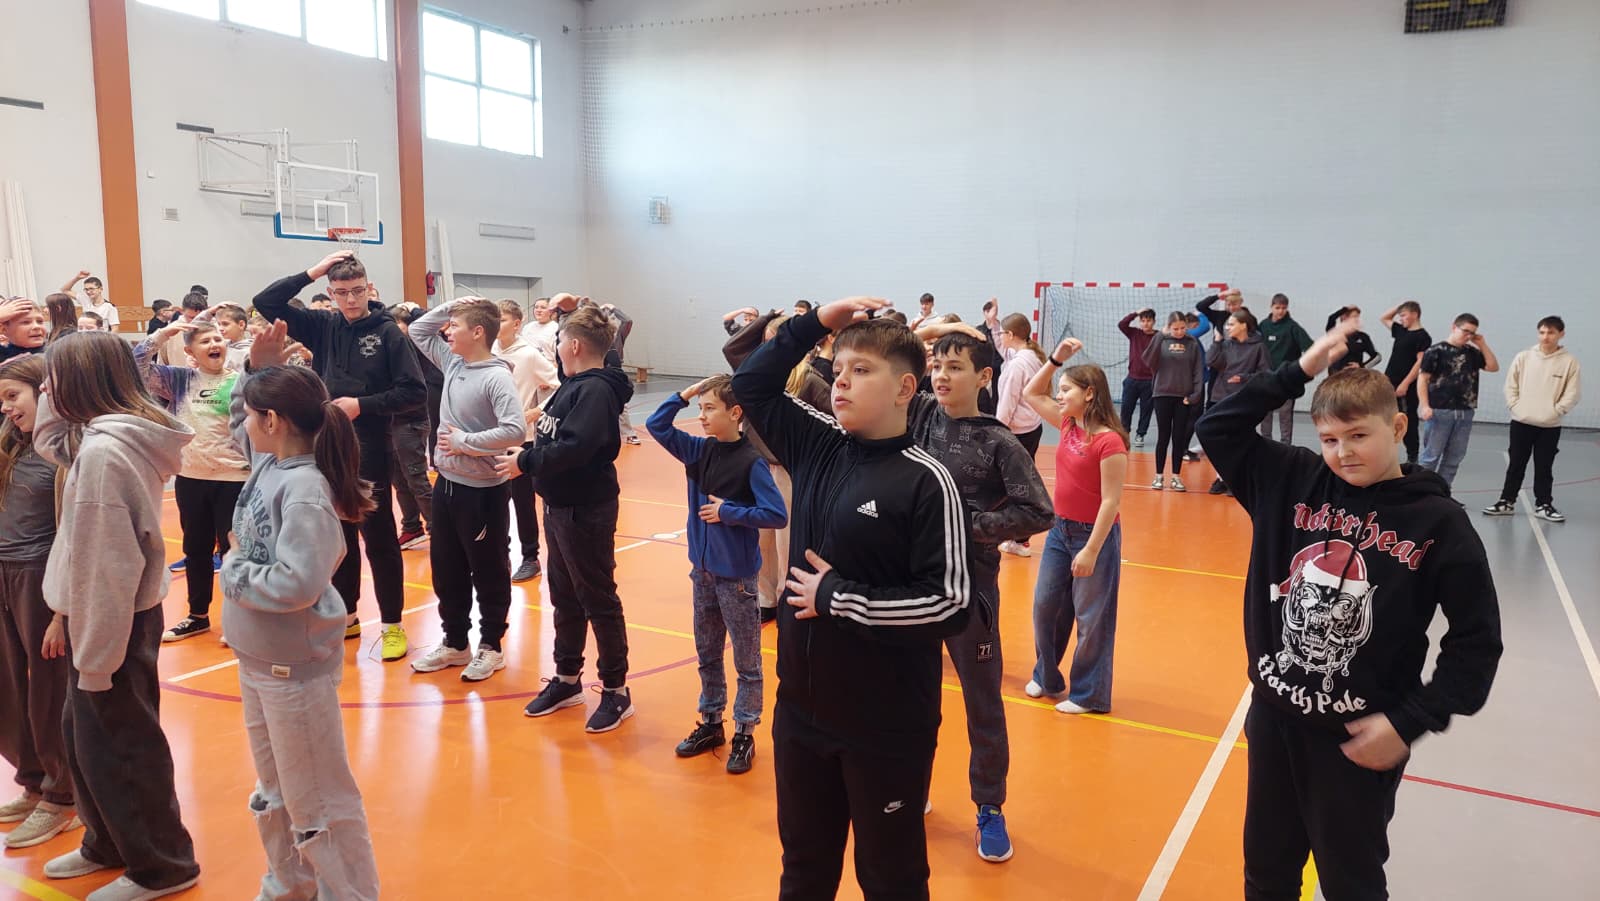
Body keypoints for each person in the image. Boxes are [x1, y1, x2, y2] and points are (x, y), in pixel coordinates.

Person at [1196, 324, 1502, 901]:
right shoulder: (1290, 480)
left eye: (1359, 435)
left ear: (1399, 427)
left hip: (1357, 738)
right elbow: (1215, 427)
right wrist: (1296, 372)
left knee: (1351, 883)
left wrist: (1410, 721)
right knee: (1266, 873)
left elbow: (1477, 642)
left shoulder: (1438, 523)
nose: (1343, 452)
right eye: (1330, 439)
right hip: (1274, 720)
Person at [732, 298, 972, 900]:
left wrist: (838, 597)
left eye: (862, 370)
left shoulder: (926, 480)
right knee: (804, 870)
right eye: (839, 368)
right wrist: (817, 322)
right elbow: (751, 383)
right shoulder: (816, 443)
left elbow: (949, 603)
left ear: (905, 388)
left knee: (890, 880)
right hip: (801, 713)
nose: (841, 380)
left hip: (885, 726)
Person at [34, 332, 202, 899]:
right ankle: (108, 841)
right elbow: (49, 440)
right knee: (86, 739)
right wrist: (52, 396)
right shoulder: (98, 436)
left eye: (53, 380)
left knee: (123, 746)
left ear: (80, 382)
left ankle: (163, 866)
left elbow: (107, 567)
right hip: (104, 615)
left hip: (112, 618)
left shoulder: (106, 454)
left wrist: (97, 658)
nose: (45, 389)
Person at [221, 328, 381, 900]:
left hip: (293, 668)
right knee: (275, 788)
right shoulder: (270, 462)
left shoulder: (307, 490)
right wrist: (255, 370)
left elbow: (297, 582)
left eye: (251, 414)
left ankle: (349, 893)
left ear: (273, 421)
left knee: (318, 799)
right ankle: (288, 885)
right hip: (257, 658)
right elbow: (239, 428)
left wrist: (233, 569)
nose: (243, 424)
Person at [904, 326, 1051, 863]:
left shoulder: (999, 442)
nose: (942, 376)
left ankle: (989, 806)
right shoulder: (919, 416)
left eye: (956, 367)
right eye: (937, 366)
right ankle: (911, 787)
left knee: (982, 705)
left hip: (970, 593)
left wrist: (968, 527)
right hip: (914, 588)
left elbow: (1038, 511)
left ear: (984, 376)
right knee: (913, 697)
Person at [252, 252, 426, 661]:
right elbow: (265, 302)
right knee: (338, 536)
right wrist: (312, 271)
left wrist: (361, 405)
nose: (351, 300)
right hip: (326, 445)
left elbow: (414, 392)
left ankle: (392, 625)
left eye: (358, 291)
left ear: (369, 289)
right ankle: (347, 615)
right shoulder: (324, 325)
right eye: (342, 292)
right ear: (331, 293)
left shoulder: (388, 333)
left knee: (378, 537)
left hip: (370, 446)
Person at [497, 306, 638, 732]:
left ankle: (616, 690)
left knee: (597, 598)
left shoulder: (594, 390)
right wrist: (532, 445)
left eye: (559, 340)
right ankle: (567, 678)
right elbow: (560, 435)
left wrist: (526, 462)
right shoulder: (573, 386)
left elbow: (577, 448)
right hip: (559, 506)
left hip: (585, 509)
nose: (556, 347)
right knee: (564, 595)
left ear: (574, 345)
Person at [647, 374, 787, 775]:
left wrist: (729, 512)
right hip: (703, 573)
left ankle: (745, 731)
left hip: (737, 579)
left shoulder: (751, 462)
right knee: (707, 653)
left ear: (735, 412)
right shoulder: (697, 450)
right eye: (700, 408)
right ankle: (711, 722)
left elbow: (776, 514)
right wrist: (685, 394)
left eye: (710, 408)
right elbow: (657, 425)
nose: (703, 416)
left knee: (746, 660)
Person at [406, 298, 526, 683]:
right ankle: (456, 642)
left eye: (455, 325)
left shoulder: (496, 377)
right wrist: (454, 306)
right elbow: (418, 329)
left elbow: (515, 430)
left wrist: (465, 443)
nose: (447, 331)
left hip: (482, 492)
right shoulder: (455, 362)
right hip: (447, 485)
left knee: (488, 570)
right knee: (447, 568)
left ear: (477, 333)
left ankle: (491, 646)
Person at [1021, 338, 1128, 718]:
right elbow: (1031, 393)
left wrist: (1091, 550)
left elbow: (1111, 501)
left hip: (1092, 536)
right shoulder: (1067, 425)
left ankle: (1089, 695)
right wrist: (1055, 361)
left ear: (1089, 394)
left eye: (1067, 389)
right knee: (1045, 607)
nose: (1060, 395)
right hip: (1059, 531)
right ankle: (1047, 676)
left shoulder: (1109, 442)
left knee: (1091, 617)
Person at [0, 356, 78, 849]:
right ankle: (32, 779)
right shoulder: (9, 442)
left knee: (49, 691)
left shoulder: (63, 451)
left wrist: (61, 611)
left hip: (40, 576)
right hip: (4, 572)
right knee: (9, 686)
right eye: (2, 400)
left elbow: (73, 536)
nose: (7, 408)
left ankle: (62, 794)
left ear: (44, 393)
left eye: (14, 396)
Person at [136, 311, 251, 642]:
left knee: (234, 551)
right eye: (205, 341)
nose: (215, 344)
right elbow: (135, 367)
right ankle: (198, 616)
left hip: (234, 478)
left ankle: (240, 620)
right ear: (190, 351)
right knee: (196, 549)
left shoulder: (241, 381)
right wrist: (163, 334)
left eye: (218, 339)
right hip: (190, 477)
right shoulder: (179, 380)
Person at [722, 311, 831, 623]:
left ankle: (786, 597)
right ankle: (766, 598)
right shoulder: (754, 375)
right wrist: (765, 317)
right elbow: (732, 347)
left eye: (777, 343)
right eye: (766, 344)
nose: (770, 351)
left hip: (788, 470)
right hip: (756, 466)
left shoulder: (809, 379)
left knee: (788, 541)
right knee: (761, 539)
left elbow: (833, 421)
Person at [1483, 316, 1581, 522]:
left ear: (1561, 334)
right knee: (1516, 464)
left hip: (1550, 425)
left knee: (1544, 466)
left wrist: (1557, 411)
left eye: (1551, 333)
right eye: (1542, 332)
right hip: (1521, 422)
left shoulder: (1569, 362)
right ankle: (1506, 501)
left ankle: (1544, 504)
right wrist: (1515, 406)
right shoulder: (1524, 357)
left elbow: (1572, 393)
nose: (1545, 337)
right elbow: (1511, 385)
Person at [493, 300, 560, 582]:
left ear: (517, 324)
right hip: (491, 439)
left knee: (522, 502)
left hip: (521, 440)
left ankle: (530, 556)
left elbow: (560, 386)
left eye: (502, 319)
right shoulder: (488, 351)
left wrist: (539, 410)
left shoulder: (529, 354)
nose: (497, 324)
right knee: (494, 502)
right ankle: (500, 555)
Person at [1417, 314, 1499, 488]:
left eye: (1472, 333)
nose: (1468, 336)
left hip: (1465, 411)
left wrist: (1482, 344)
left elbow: (1493, 367)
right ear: (1454, 327)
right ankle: (1421, 491)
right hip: (1440, 410)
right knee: (1431, 456)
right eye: (1465, 331)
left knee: (1454, 457)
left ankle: (1443, 491)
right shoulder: (1436, 351)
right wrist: (1424, 405)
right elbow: (1422, 379)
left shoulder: (1472, 352)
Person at [386, 303, 438, 550]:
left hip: (412, 421)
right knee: (399, 479)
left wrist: (414, 310)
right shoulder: (389, 349)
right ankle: (411, 527)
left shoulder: (416, 346)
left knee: (416, 478)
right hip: (392, 421)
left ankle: (438, 528)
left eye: (398, 326)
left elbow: (427, 322)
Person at [1206, 307, 1271, 495]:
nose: (1227, 328)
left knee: (1239, 441)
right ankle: (1221, 478)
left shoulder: (1258, 347)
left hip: (1243, 398)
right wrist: (1217, 341)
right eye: (1227, 325)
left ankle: (1237, 480)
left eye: (1231, 324)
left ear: (1243, 325)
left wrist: (1244, 378)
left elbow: (1266, 373)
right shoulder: (1226, 345)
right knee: (1221, 442)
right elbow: (1210, 361)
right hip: (1221, 397)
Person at [1143, 312, 1205, 491]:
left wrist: (1195, 394)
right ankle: (1158, 476)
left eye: (1183, 328)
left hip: (1183, 397)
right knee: (1163, 436)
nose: (1179, 332)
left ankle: (1176, 477)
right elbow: (1148, 360)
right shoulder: (1161, 340)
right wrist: (1159, 336)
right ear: (1168, 327)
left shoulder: (1192, 343)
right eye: (1175, 329)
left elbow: (1198, 370)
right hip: (1162, 394)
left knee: (1179, 437)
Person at [1379, 302, 1430, 465]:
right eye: (1400, 316)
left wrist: (1405, 383)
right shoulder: (1400, 331)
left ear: (1415, 314)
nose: (1400, 319)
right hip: (1389, 381)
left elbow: (1420, 362)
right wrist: (1400, 306)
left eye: (1404, 315)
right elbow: (1384, 318)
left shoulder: (1423, 336)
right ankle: (1383, 450)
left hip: (1406, 385)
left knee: (1408, 418)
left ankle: (1412, 455)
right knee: (1384, 415)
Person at [1257, 294, 1313, 443]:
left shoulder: (1292, 327)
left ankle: (1286, 444)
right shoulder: (1263, 325)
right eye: (1277, 308)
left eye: (1283, 308)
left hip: (1287, 377)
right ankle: (1265, 442)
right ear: (1271, 307)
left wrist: (1301, 369)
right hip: (1267, 375)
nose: (1280, 311)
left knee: (1285, 413)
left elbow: (1309, 347)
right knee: (1265, 411)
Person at [1116, 308, 1159, 447]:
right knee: (1126, 408)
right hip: (1132, 379)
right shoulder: (1134, 333)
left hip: (1150, 381)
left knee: (1146, 410)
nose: (1145, 323)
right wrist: (1135, 313)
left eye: (1148, 321)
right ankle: (1125, 433)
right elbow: (1122, 324)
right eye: (1143, 321)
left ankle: (1140, 434)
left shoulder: (1159, 336)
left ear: (1154, 321)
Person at [156, 293, 211, 366]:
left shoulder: (213, 330)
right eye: (191, 317)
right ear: (182, 311)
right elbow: (162, 363)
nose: (196, 322)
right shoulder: (170, 331)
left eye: (201, 318)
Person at [1325, 306, 1381, 371]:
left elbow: (1377, 357)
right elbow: (1331, 318)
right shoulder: (1335, 334)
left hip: (1354, 375)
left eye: (1358, 317)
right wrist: (1344, 309)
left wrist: (1362, 366)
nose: (1357, 320)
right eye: (1354, 317)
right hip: (1335, 375)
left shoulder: (1363, 337)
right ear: (1344, 318)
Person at [0, 298, 47, 363]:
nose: (36, 326)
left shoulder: (56, 355)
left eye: (40, 321)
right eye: (26, 322)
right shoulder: (3, 355)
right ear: (4, 329)